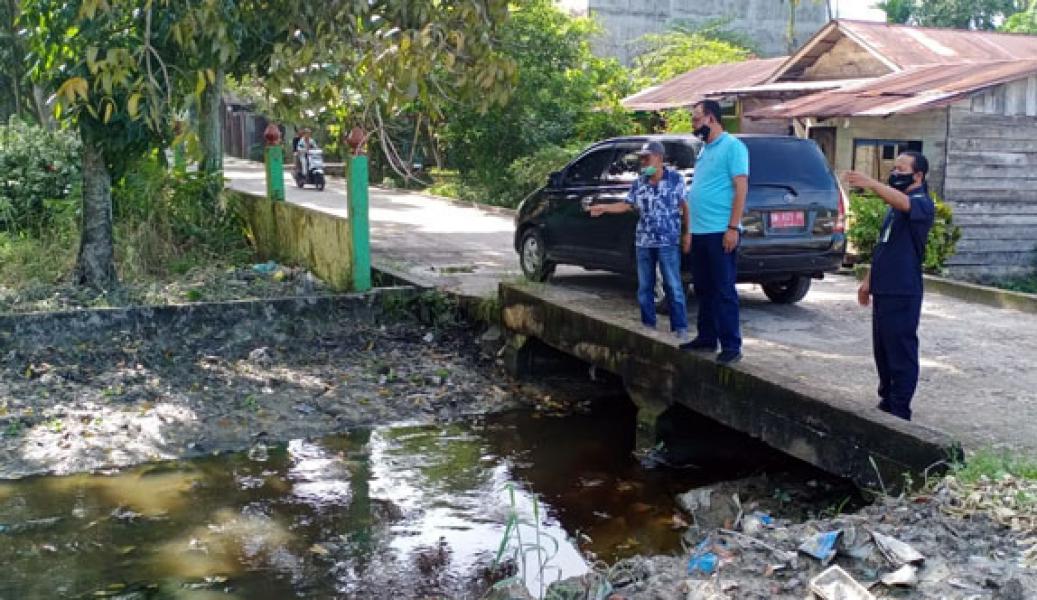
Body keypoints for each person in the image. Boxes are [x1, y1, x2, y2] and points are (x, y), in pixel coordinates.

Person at [847, 152, 935, 421]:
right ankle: (886, 399)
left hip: (903, 289)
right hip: (884, 288)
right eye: (893, 168)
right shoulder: (893, 210)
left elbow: (905, 202)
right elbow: (884, 246)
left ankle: (900, 408)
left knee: (900, 349)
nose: (895, 173)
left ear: (918, 176)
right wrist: (868, 281)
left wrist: (871, 184)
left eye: (901, 169)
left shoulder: (921, 204)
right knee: (882, 349)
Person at [590, 140, 691, 340]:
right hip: (644, 241)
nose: (643, 162)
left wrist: (688, 233)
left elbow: (685, 206)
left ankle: (680, 327)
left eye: (647, 158)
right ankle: (648, 324)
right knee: (645, 285)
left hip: (667, 240)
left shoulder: (675, 180)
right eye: (642, 158)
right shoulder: (640, 182)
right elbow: (627, 205)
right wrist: (604, 208)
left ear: (660, 158)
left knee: (673, 284)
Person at [680, 100, 748, 365]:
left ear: (710, 118)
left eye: (696, 119)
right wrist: (689, 231)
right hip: (701, 230)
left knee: (723, 289)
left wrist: (733, 227)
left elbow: (740, 188)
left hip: (721, 230)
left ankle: (731, 344)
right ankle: (706, 337)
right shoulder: (704, 150)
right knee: (704, 287)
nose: (693, 125)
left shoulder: (733, 147)